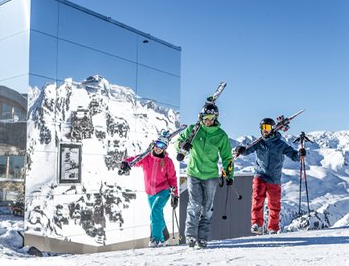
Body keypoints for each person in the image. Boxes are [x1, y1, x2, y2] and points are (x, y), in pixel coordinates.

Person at [233, 117, 306, 235]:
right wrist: (239, 149)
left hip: (274, 178)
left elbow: (293, 156)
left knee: (274, 204)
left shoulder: (280, 144)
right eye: (262, 128)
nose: (264, 130)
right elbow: (247, 151)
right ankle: (257, 224)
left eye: (267, 128)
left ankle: (273, 228)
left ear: (273, 129)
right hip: (260, 175)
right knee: (257, 199)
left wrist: (300, 154)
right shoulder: (259, 142)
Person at [176, 103, 233, 249]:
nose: (209, 120)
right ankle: (190, 236)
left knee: (207, 208)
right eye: (206, 117)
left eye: (212, 117)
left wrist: (229, 174)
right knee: (194, 205)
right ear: (201, 117)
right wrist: (183, 145)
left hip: (211, 176)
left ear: (216, 118)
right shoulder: (193, 130)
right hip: (194, 173)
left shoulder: (221, 135)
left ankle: (202, 238)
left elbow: (227, 157)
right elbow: (177, 143)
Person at [120, 133, 179, 247]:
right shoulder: (146, 158)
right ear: (154, 144)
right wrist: (125, 162)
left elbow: (172, 179)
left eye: (162, 146)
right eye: (157, 144)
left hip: (164, 190)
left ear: (165, 148)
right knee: (157, 213)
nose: (158, 148)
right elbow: (134, 159)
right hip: (150, 192)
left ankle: (155, 238)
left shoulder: (168, 162)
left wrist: (175, 195)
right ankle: (164, 237)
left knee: (155, 210)